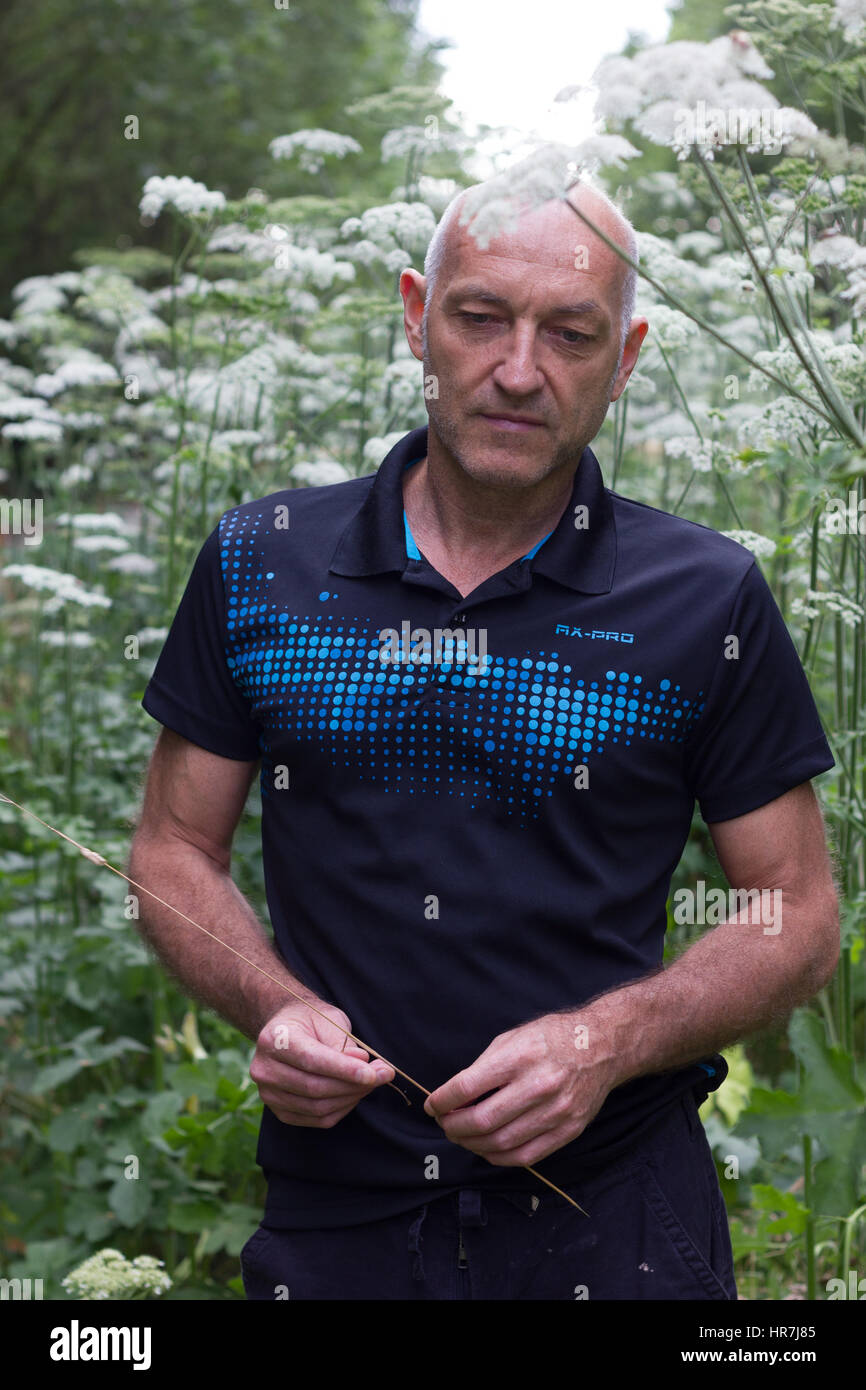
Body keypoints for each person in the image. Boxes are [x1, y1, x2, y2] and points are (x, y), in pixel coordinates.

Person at [131, 171, 839, 1301]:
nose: (518, 371)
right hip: (334, 1212)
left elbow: (797, 913)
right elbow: (170, 850)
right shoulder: (260, 560)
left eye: (569, 333)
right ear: (416, 313)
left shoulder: (704, 595)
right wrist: (273, 1004)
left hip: (617, 1219)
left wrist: (601, 1043)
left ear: (627, 353)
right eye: (478, 318)